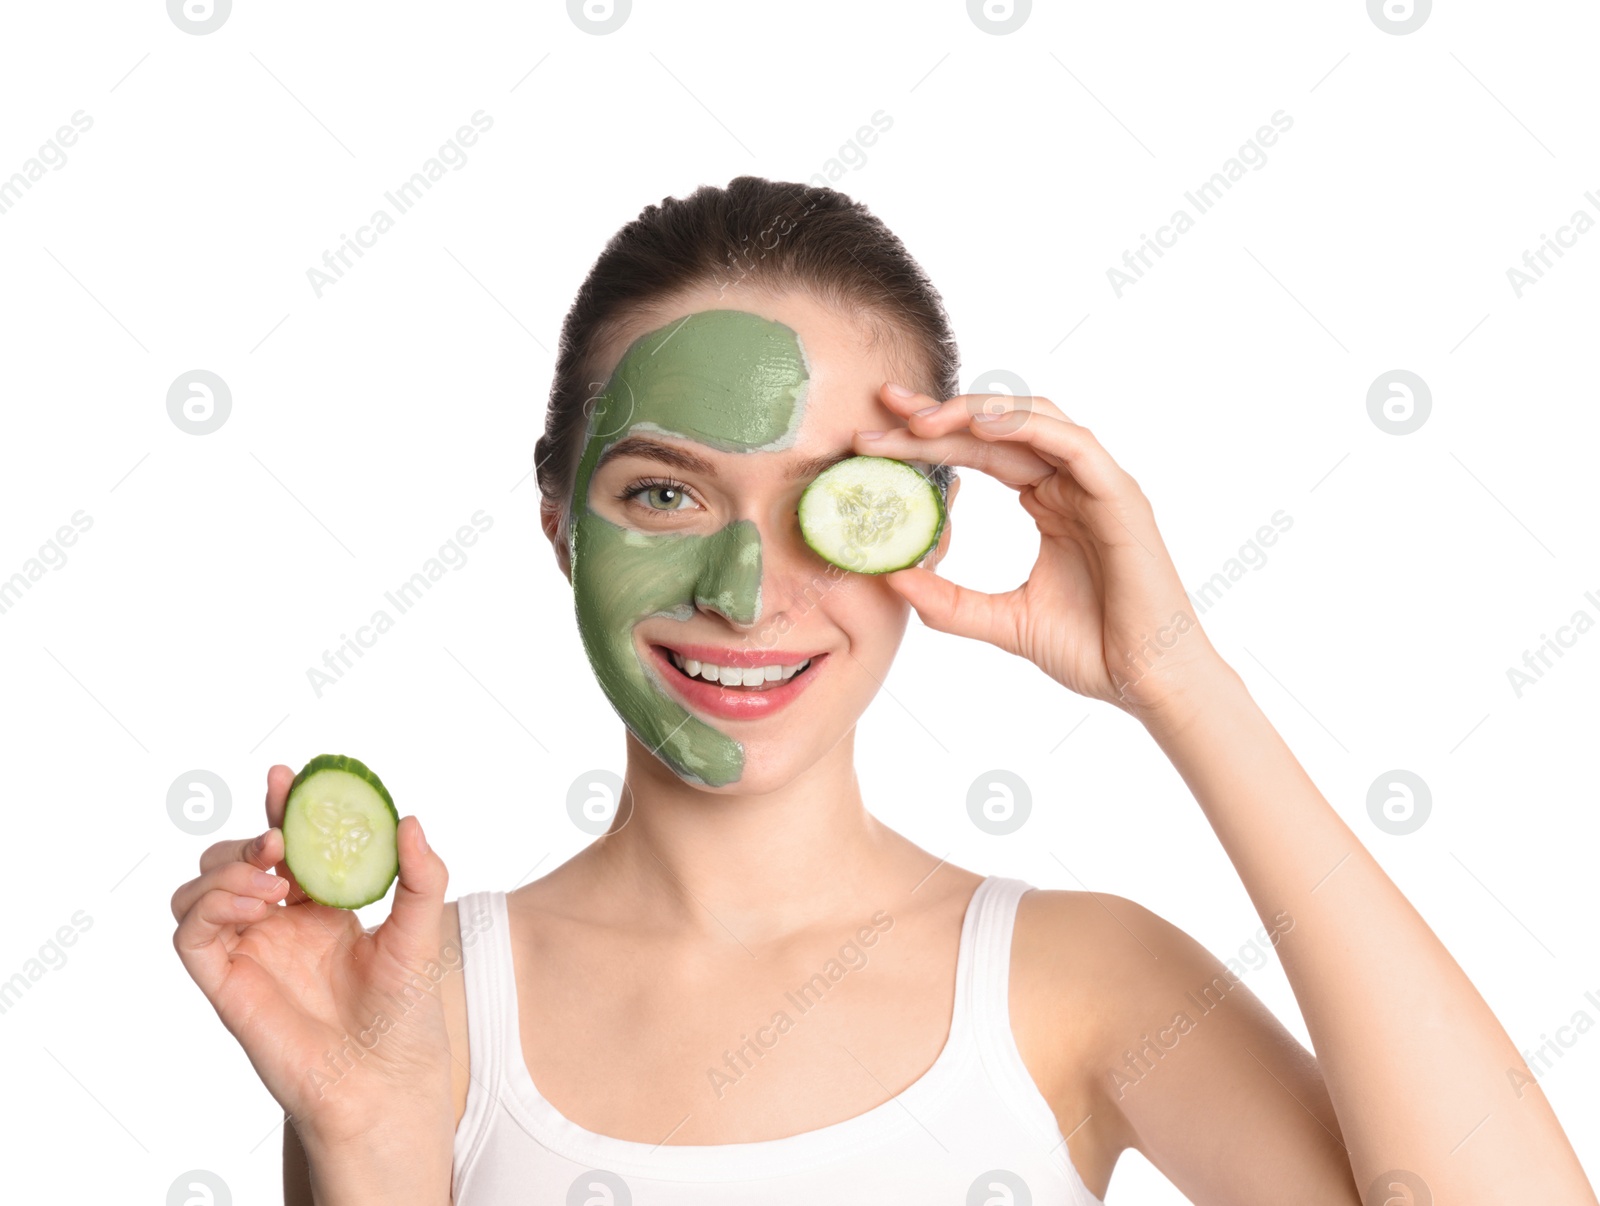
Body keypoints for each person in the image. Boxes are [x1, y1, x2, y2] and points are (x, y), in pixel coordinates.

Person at [171, 176, 1597, 1205]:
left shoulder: (1079, 982)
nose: (743, 588)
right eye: (665, 489)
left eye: (832, 505)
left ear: (926, 526)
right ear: (560, 520)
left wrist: (1178, 679)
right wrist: (363, 1141)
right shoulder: (417, 1004)